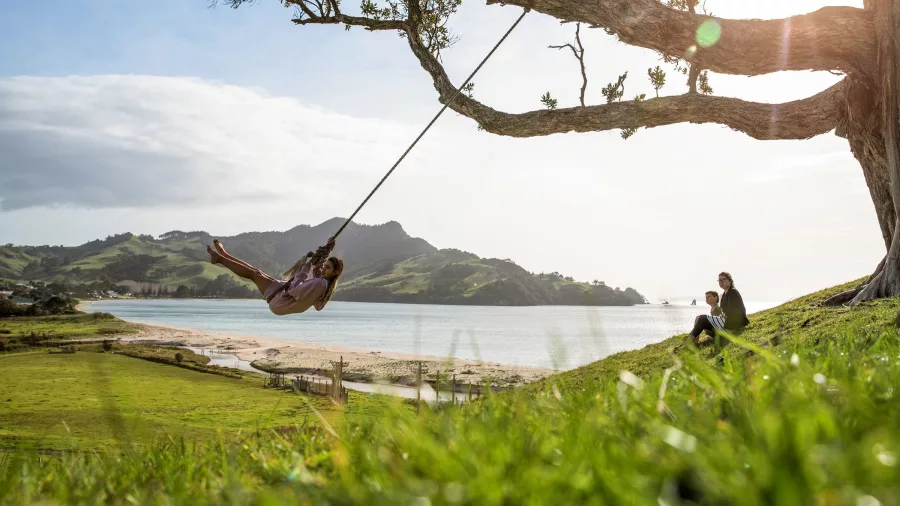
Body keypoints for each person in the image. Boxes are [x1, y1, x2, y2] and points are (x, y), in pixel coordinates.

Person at [206, 237, 343, 315]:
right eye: (326, 266)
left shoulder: (321, 284)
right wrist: (328, 248)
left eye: (328, 267)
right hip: (283, 295)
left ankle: (220, 259)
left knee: (253, 274)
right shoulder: (322, 282)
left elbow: (294, 290)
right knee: (257, 271)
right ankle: (225, 256)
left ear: (335, 273)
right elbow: (319, 266)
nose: (324, 268)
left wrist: (305, 269)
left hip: (281, 301)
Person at [683, 272, 750, 348]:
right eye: (719, 280)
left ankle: (688, 343)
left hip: (735, 325)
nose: (721, 282)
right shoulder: (724, 294)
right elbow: (726, 311)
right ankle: (690, 342)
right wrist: (722, 315)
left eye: (724, 279)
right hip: (729, 323)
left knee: (702, 318)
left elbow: (733, 310)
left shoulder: (733, 292)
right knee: (704, 323)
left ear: (729, 281)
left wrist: (724, 315)